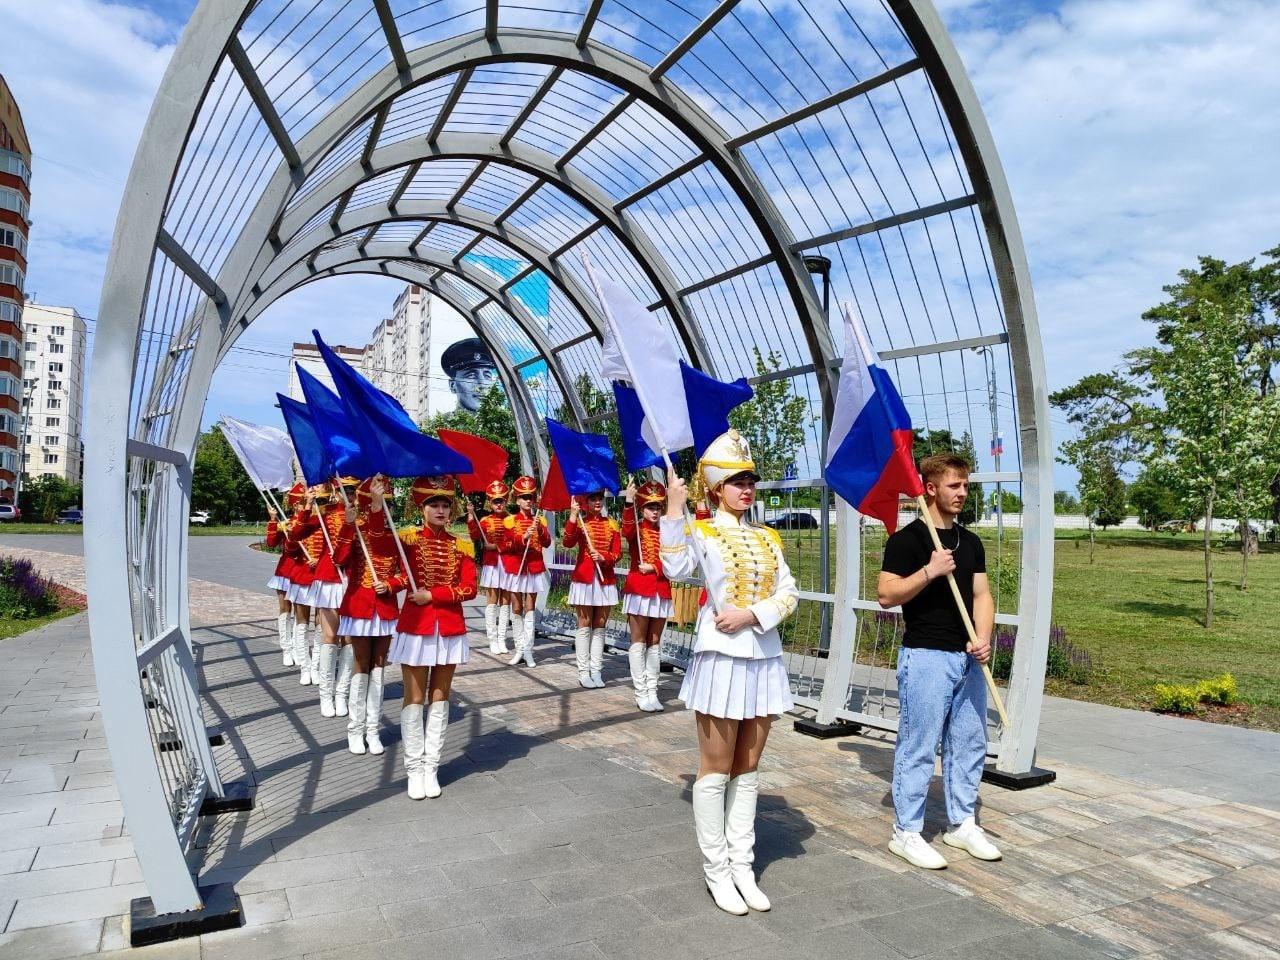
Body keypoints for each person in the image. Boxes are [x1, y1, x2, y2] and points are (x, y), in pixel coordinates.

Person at [661, 430, 797, 916]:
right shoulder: (702, 531)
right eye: (737, 481)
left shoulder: (767, 536)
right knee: (716, 767)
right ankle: (716, 871)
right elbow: (675, 569)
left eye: (750, 481)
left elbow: (789, 591)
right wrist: (675, 511)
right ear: (716, 489)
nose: (747, 489)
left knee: (749, 766)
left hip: (762, 657)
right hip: (720, 658)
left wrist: (752, 615)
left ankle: (743, 865)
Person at [877, 452, 1000, 869]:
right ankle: (906, 831)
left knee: (969, 742)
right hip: (926, 656)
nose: (963, 493)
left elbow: (982, 596)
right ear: (929, 488)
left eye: (966, 485)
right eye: (954, 485)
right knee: (920, 744)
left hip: (968, 659)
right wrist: (929, 571)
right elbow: (886, 594)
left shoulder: (972, 542)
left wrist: (983, 638)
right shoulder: (907, 541)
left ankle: (961, 823)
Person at [387, 476, 478, 799]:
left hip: (450, 628)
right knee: (414, 698)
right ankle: (413, 769)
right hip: (416, 628)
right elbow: (393, 568)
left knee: (440, 697)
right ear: (421, 508)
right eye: (434, 504)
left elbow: (470, 588)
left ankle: (431, 767)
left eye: (445, 505)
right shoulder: (407, 540)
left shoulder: (462, 545)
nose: (440, 510)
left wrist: (434, 595)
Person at [333, 476, 404, 756]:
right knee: (361, 664)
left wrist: (390, 585)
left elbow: (403, 575)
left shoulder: (395, 537)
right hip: (360, 607)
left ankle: (372, 729)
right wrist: (349, 524)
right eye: (377, 504)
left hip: (385, 609)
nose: (383, 510)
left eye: (386, 505)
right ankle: (355, 728)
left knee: (379, 666)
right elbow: (338, 559)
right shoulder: (356, 531)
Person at [287, 482, 348, 716]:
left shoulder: (363, 517)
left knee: (350, 641)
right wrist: (308, 506)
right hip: (329, 579)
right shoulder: (325, 514)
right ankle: (325, 692)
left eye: (353, 490)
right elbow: (296, 535)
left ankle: (342, 694)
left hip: (354, 581)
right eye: (346, 489)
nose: (348, 494)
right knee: (330, 635)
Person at [562, 491, 621, 689]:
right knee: (584, 623)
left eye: (599, 499)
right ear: (585, 502)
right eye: (593, 499)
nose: (597, 502)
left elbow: (618, 553)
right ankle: (583, 671)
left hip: (605, 578)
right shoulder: (580, 522)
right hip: (585, 578)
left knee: (600, 624)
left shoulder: (612, 524)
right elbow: (567, 542)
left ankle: (596, 670)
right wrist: (572, 515)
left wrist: (604, 557)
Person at [621, 479, 670, 712]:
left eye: (658, 507)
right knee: (639, 642)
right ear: (642, 508)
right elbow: (626, 529)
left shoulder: (668, 531)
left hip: (661, 589)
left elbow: (674, 559)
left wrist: (655, 567)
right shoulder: (637, 529)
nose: (655, 511)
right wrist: (629, 501)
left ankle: (653, 690)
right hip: (640, 590)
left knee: (655, 643)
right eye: (650, 507)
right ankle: (640, 692)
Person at [500, 476, 551, 668]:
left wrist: (540, 530)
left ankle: (527, 650)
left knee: (530, 608)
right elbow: (505, 545)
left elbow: (547, 543)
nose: (528, 501)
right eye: (523, 497)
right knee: (517, 608)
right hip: (516, 568)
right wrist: (523, 537)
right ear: (517, 500)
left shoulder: (541, 520)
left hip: (534, 567)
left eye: (530, 497)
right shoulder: (509, 521)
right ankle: (519, 649)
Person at [467, 480, 511, 655]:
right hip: (492, 565)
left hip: (508, 565)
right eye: (495, 501)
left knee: (505, 603)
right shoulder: (485, 520)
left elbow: (515, 543)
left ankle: (502, 639)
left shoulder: (512, 520)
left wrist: (498, 547)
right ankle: (492, 639)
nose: (498, 504)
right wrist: (471, 515)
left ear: (506, 501)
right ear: (490, 502)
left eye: (501, 500)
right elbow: (474, 535)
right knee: (492, 602)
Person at [265, 482, 305, 667]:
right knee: (285, 611)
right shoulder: (285, 523)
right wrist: (273, 519)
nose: (300, 506)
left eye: (303, 502)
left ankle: (299, 648)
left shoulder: (312, 523)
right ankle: (286, 649)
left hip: (303, 572)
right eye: (298, 503)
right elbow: (271, 543)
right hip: (285, 572)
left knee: (301, 614)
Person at [442, 338, 500, 413]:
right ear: (452, 385)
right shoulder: (442, 424)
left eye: (487, 376)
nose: (482, 385)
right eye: (471, 376)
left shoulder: (504, 423)